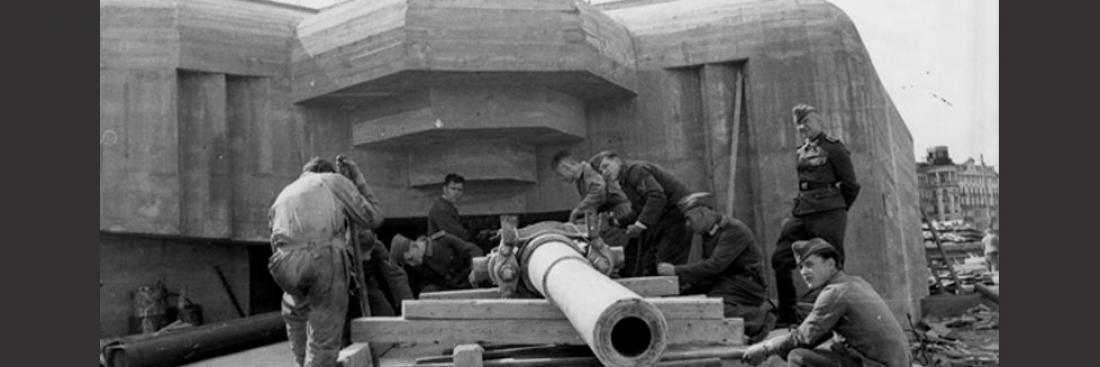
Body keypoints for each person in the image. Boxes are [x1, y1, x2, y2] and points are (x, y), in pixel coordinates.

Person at [268, 156, 383, 367]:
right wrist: (357, 179)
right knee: (324, 336)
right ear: (328, 172)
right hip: (321, 257)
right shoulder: (332, 180)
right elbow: (373, 217)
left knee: (297, 319)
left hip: (283, 263)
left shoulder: (284, 193)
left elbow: (273, 242)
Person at [742, 238, 910, 367]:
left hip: (879, 364)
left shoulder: (835, 292)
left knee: (798, 356)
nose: (804, 272)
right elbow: (820, 332)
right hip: (895, 362)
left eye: (809, 265)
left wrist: (764, 348)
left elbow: (803, 337)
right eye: (800, 267)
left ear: (830, 264)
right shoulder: (854, 282)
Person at [772, 104, 861, 326]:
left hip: (828, 213)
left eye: (807, 122)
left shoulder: (834, 148)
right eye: (799, 124)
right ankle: (787, 317)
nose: (803, 127)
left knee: (830, 266)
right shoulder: (800, 151)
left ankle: (839, 321)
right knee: (780, 258)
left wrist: (837, 210)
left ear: (819, 121)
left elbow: (851, 184)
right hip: (803, 211)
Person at [656, 192, 773, 342]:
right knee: (687, 301)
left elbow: (715, 265)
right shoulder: (710, 232)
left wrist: (676, 271)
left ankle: (762, 316)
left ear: (702, 213)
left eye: (689, 219)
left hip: (746, 285)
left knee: (711, 310)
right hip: (728, 281)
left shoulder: (733, 230)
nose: (687, 224)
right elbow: (710, 268)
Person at [590, 150, 692, 277]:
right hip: (665, 218)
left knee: (664, 262)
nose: (605, 172)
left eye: (606, 166)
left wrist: (639, 225)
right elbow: (639, 209)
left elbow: (656, 197)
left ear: (617, 160)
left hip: (677, 217)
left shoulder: (636, 171)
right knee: (649, 262)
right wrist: (616, 221)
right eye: (601, 171)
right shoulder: (625, 180)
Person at [389, 231, 485, 297]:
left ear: (414, 246)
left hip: (473, 284)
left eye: (411, 259)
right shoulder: (417, 268)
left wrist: (475, 271)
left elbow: (474, 250)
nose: (412, 264)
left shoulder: (442, 241)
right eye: (409, 263)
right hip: (451, 295)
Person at [550, 150, 633, 223]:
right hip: (611, 212)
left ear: (567, 167)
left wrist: (577, 210)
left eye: (560, 174)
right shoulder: (580, 180)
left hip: (620, 212)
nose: (561, 179)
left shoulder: (589, 170)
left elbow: (599, 191)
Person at [427, 173, 470, 240]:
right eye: (453, 189)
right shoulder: (441, 208)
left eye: (459, 190)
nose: (456, 193)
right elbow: (453, 234)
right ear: (445, 189)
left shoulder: (449, 207)